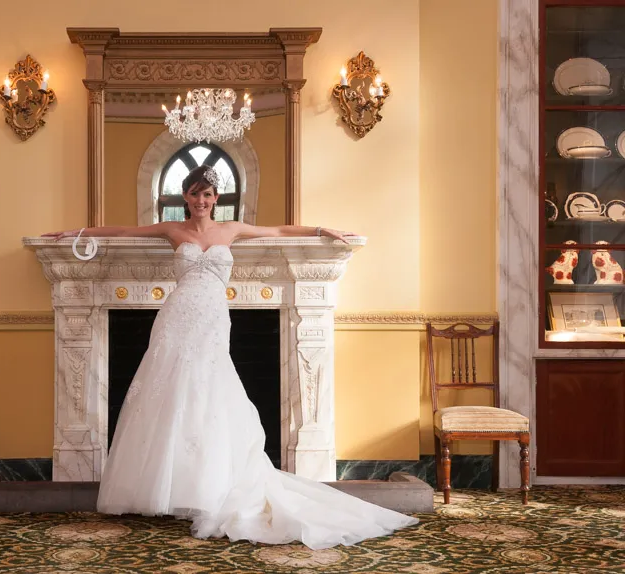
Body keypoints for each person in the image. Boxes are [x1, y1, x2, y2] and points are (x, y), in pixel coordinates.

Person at [42, 165, 418, 550]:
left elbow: (277, 232)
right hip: (177, 316)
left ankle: (210, 485)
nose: (200, 201)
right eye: (194, 194)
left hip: (213, 319)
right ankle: (172, 489)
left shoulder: (232, 229)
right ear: (184, 198)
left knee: (212, 393)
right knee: (168, 396)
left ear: (215, 199)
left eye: (207, 195)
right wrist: (77, 233)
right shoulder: (174, 230)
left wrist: (322, 231)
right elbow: (123, 232)